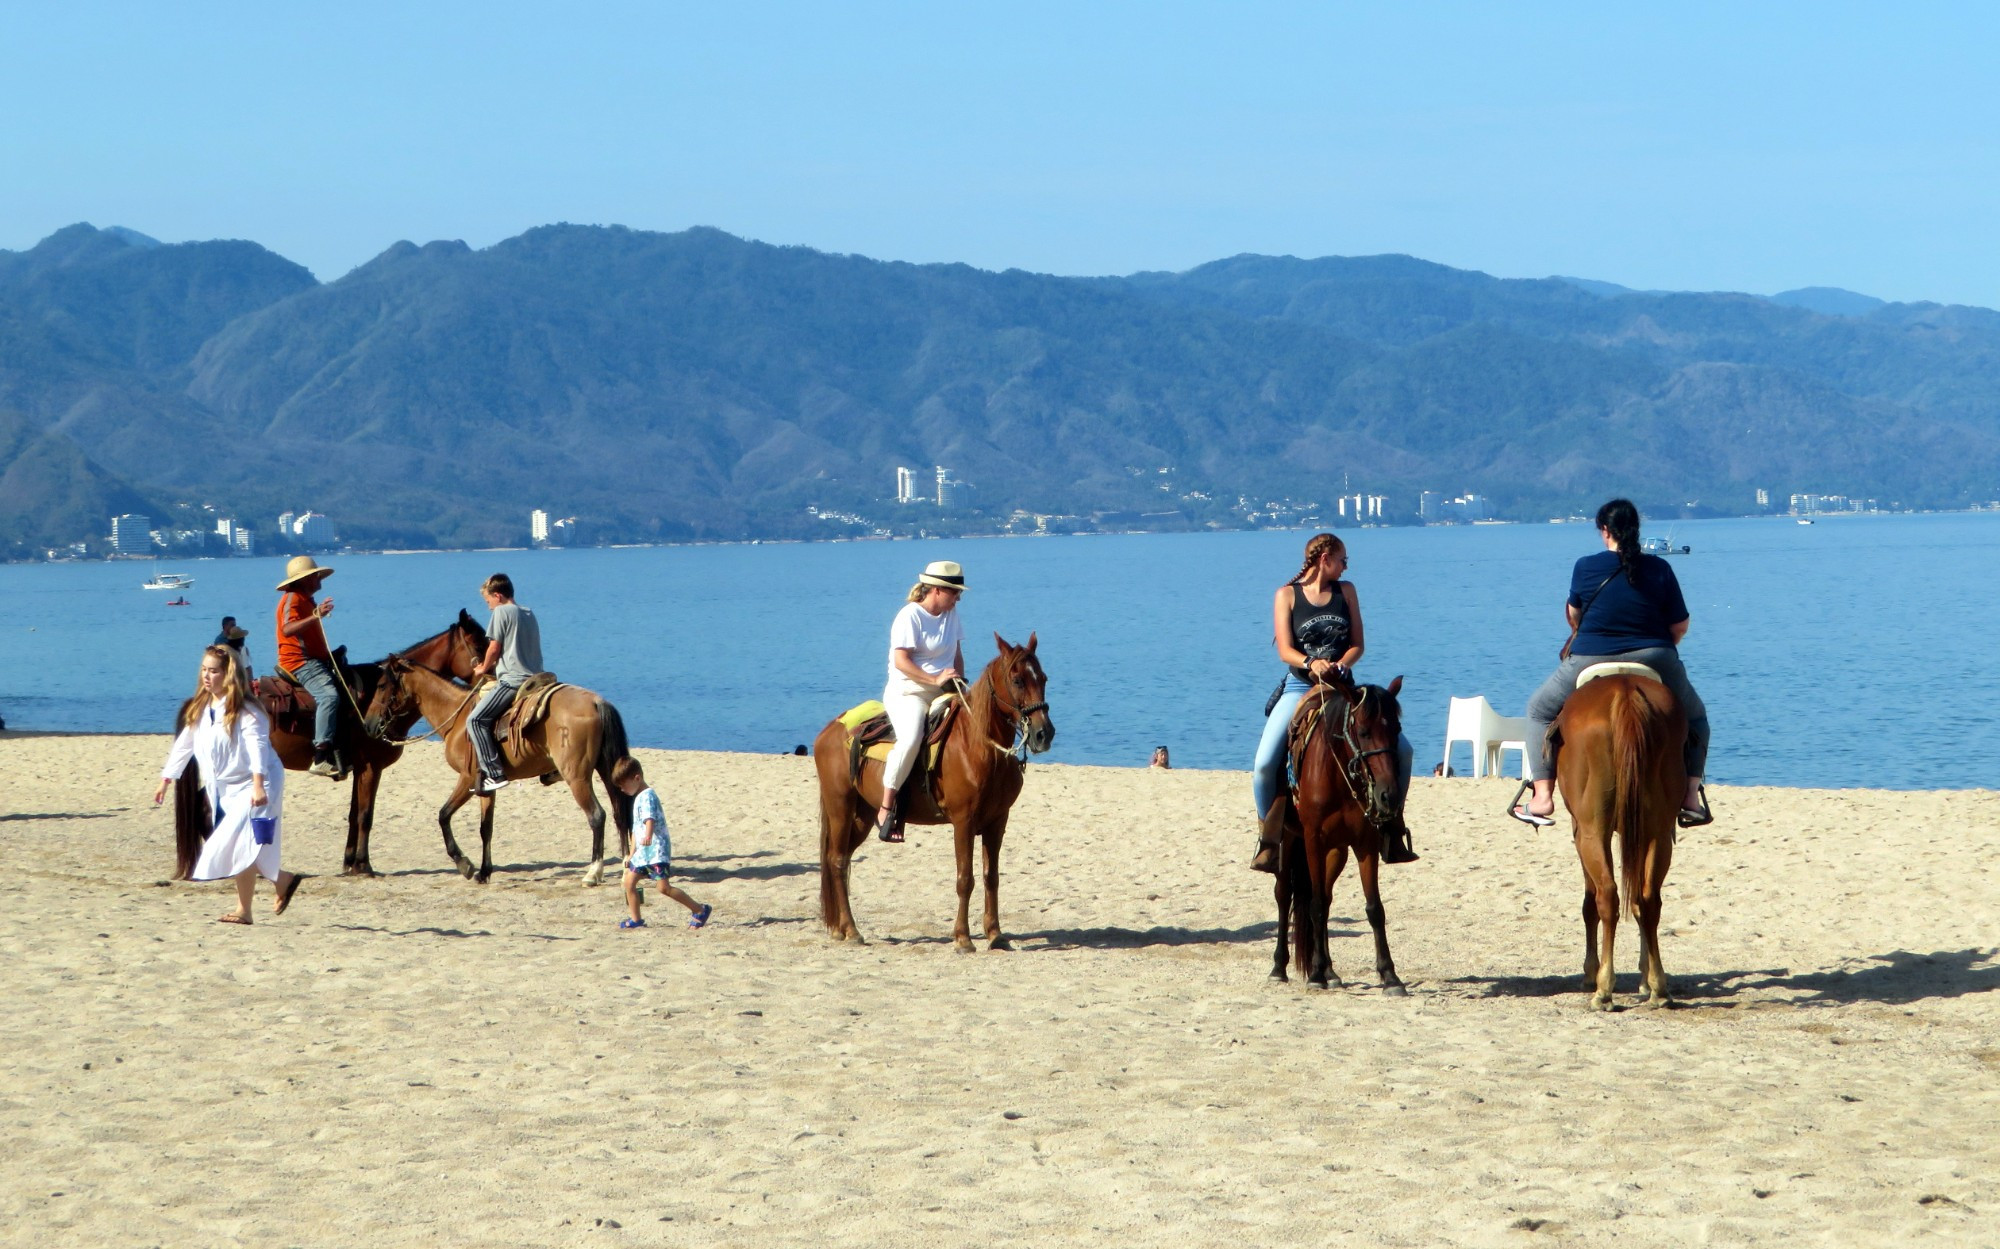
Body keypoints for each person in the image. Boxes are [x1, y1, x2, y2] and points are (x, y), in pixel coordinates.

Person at [1513, 499, 1712, 828]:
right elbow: (1680, 626)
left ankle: (1543, 796)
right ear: (1636, 530)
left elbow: (1574, 617)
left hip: (1590, 657)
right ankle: (1691, 796)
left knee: (1537, 710)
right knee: (1697, 717)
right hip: (1654, 656)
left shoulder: (1585, 566)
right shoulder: (1660, 569)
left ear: (1604, 530)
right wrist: (1660, 647)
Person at [1249, 533, 1418, 871]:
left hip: (1344, 688)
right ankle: (1270, 838)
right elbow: (1285, 650)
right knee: (1265, 764)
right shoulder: (1287, 596)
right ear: (1325, 558)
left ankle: (1392, 826)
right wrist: (1311, 663)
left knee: (1403, 750)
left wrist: (1343, 664)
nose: (1345, 566)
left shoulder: (1347, 592)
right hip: (1301, 687)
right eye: (1342, 560)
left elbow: (1357, 644)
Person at [153, 645, 305, 924]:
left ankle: (280, 882)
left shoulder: (248, 711)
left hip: (257, 782)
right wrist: (166, 779)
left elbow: (257, 747)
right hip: (224, 788)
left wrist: (259, 785)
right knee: (241, 845)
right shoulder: (201, 707)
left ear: (229, 674)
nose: (207, 676)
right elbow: (184, 745)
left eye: (214, 671)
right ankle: (253, 903)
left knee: (232, 842)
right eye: (204, 670)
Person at [873, 560, 966, 843]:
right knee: (912, 738)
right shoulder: (909, 616)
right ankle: (887, 805)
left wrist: (961, 682)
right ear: (937, 590)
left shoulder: (952, 615)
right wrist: (934, 679)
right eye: (954, 593)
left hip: (944, 689)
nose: (958, 598)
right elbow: (901, 661)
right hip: (908, 691)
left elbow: (957, 653)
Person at [467, 572, 544, 795]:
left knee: (476, 720)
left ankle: (493, 773)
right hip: (537, 678)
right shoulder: (528, 613)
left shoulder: (501, 612)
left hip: (514, 679)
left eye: (488, 600)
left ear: (498, 596)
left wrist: (482, 668)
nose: (489, 607)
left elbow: (494, 647)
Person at [612, 756, 711, 929]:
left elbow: (649, 820)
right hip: (643, 853)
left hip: (656, 850)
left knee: (663, 888)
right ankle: (636, 919)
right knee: (629, 883)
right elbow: (636, 829)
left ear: (637, 778)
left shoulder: (648, 796)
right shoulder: (637, 798)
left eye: (623, 785)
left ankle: (699, 909)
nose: (622, 789)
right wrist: (632, 852)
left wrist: (649, 836)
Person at [273, 556, 343, 777]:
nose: (318, 578)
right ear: (305, 579)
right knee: (329, 697)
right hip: (299, 661)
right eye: (315, 575)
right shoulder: (292, 599)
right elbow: (288, 629)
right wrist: (316, 616)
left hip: (313, 659)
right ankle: (321, 755)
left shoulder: (306, 600)